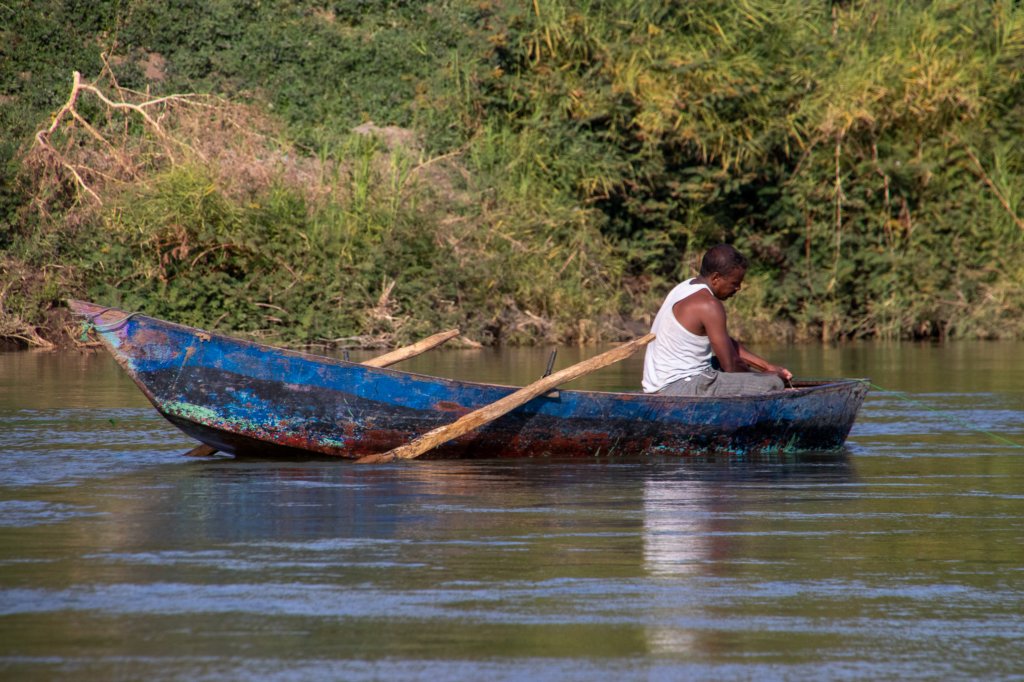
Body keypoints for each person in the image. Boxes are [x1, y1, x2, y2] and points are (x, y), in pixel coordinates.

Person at [642, 244, 792, 397]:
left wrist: (767, 367)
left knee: (739, 369)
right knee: (773, 384)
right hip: (680, 387)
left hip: (662, 384)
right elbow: (731, 366)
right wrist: (768, 377)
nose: (738, 288)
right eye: (735, 283)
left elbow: (726, 343)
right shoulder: (710, 305)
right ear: (715, 278)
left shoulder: (685, 287)